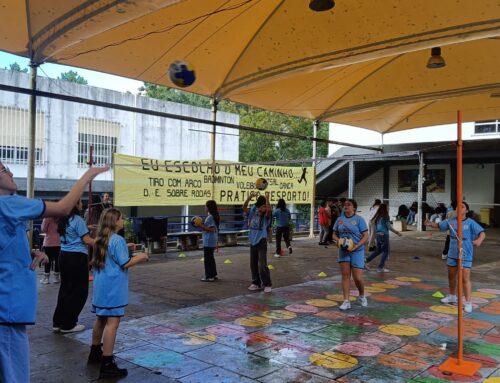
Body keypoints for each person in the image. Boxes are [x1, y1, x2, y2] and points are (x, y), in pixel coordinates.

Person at [0, 161, 107, 383]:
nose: (10, 172)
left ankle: (62, 322)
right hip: (8, 309)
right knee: (14, 372)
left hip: (10, 306)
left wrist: (27, 252)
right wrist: (88, 175)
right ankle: (67, 323)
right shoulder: (8, 204)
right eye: (3, 170)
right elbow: (63, 208)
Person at [88, 208, 149, 378]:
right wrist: (142, 256)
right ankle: (107, 363)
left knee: (100, 319)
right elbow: (125, 263)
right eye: (121, 218)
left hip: (100, 289)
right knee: (112, 324)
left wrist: (126, 247)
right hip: (113, 290)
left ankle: (94, 352)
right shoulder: (118, 240)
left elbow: (112, 255)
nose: (123, 221)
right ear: (115, 222)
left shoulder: (100, 239)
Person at [425, 201, 485, 313]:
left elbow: (482, 232)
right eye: (457, 207)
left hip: (465, 252)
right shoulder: (450, 221)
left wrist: (479, 240)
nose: (459, 209)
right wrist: (429, 223)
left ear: (466, 210)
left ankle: (468, 302)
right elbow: (438, 225)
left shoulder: (470, 222)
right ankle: (452, 296)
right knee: (451, 276)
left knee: (464, 278)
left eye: (462, 207)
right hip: (452, 252)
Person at [52, 199, 95, 333]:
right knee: (79, 291)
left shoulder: (63, 219)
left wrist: (87, 228)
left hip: (64, 256)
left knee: (65, 289)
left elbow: (74, 233)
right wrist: (105, 242)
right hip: (77, 258)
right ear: (75, 205)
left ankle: (58, 322)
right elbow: (87, 240)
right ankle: (69, 324)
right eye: (80, 202)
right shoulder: (77, 219)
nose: (82, 204)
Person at [332, 199, 369, 311]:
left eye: (349, 204)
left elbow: (366, 236)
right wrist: (339, 241)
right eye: (345, 205)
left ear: (354, 208)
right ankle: (346, 301)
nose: (346, 206)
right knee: (345, 275)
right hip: (343, 251)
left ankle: (362, 295)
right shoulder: (340, 220)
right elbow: (334, 234)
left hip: (357, 250)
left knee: (357, 277)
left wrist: (356, 246)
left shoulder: (359, 220)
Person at [243, 191, 272, 293]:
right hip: (253, 241)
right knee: (253, 264)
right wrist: (249, 197)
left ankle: (267, 283)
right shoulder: (253, 211)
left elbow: (269, 210)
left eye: (265, 206)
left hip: (261, 241)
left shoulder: (265, 217)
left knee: (262, 264)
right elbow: (244, 207)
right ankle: (256, 282)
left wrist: (268, 199)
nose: (264, 208)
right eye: (262, 206)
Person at [365, 204, 402, 272]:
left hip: (378, 235)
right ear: (385, 209)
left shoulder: (377, 216)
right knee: (386, 251)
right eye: (388, 207)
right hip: (384, 235)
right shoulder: (385, 216)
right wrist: (397, 233)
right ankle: (380, 267)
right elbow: (389, 227)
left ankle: (365, 260)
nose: (389, 209)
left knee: (378, 250)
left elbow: (376, 228)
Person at [198, 200, 220, 282]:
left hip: (209, 241)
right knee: (211, 258)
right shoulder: (213, 216)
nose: (205, 207)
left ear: (209, 207)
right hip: (211, 240)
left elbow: (211, 229)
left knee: (208, 259)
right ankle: (213, 275)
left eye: (206, 206)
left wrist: (201, 226)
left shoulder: (210, 217)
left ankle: (209, 276)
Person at [40, 215, 61, 284]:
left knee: (47, 261)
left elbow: (43, 229)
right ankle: (56, 278)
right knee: (57, 260)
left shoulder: (47, 217)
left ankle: (46, 279)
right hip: (59, 242)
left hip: (48, 242)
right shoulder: (61, 217)